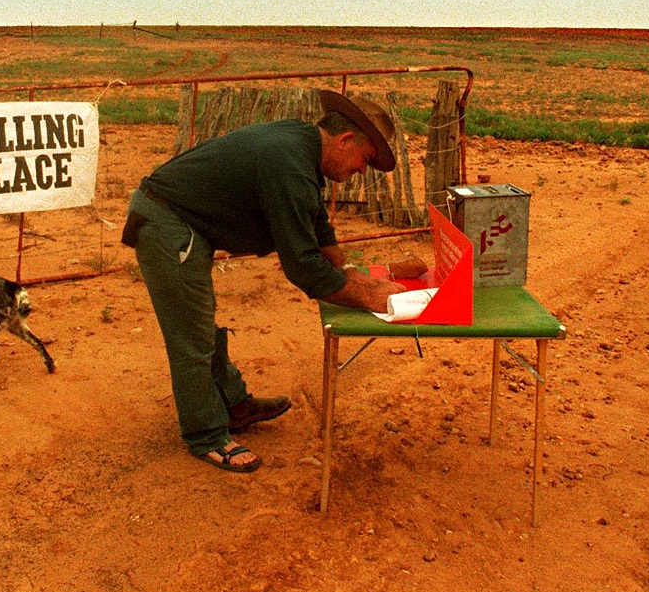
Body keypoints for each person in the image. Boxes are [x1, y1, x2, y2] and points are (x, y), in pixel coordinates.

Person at [121, 89, 427, 473]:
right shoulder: (290, 163)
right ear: (346, 140)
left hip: (183, 222)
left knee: (198, 321)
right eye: (365, 160)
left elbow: (316, 222)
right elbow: (301, 266)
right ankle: (207, 435)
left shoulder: (300, 146)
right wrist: (371, 299)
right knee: (191, 335)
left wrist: (350, 274)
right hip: (167, 223)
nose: (361, 172)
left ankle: (232, 403)